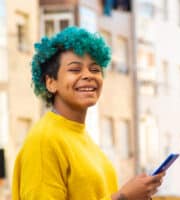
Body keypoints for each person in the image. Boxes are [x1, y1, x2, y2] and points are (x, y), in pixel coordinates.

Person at [12, 26, 165, 200]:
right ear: (51, 82)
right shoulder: (44, 141)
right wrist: (124, 197)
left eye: (95, 69)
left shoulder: (82, 138)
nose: (88, 75)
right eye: (75, 69)